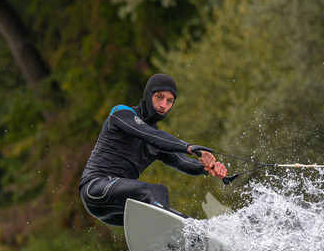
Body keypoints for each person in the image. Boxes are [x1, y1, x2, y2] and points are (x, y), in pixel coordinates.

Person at [78, 73, 227, 226]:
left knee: (187, 223)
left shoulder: (157, 143)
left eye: (170, 101)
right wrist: (190, 148)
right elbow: (151, 135)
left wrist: (209, 167)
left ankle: (185, 245)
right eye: (159, 97)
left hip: (117, 209)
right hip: (95, 188)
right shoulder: (121, 113)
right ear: (148, 95)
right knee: (155, 192)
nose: (164, 105)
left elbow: (182, 162)